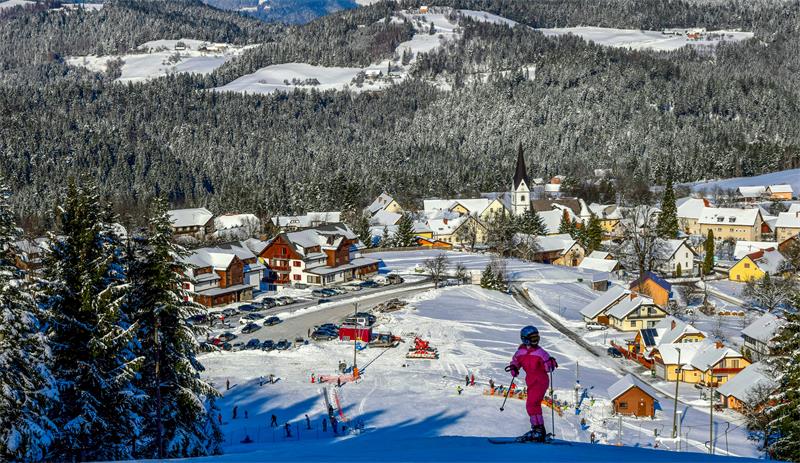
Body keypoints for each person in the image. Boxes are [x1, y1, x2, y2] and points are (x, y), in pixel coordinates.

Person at [506, 325, 557, 443]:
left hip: (541, 380)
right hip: (531, 381)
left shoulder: (541, 353)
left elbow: (548, 368)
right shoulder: (520, 352)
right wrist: (514, 367)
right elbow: (516, 361)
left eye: (537, 338)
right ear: (525, 339)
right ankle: (539, 430)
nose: (536, 340)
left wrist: (550, 363)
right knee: (533, 405)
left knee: (531, 404)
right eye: (533, 338)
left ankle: (538, 430)